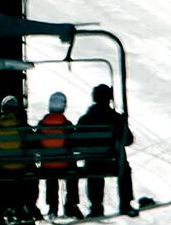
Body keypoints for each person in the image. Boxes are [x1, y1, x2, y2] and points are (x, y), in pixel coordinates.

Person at [76, 84, 131, 218]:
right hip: (111, 162)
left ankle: (96, 206)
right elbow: (128, 140)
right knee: (124, 165)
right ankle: (125, 203)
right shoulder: (116, 118)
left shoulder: (85, 120)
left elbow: (76, 141)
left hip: (93, 163)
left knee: (94, 165)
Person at [35, 92, 75, 218]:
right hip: (65, 164)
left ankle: (53, 207)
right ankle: (71, 204)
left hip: (48, 165)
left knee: (51, 176)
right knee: (72, 167)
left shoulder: (43, 124)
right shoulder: (67, 124)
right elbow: (74, 143)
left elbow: (36, 144)